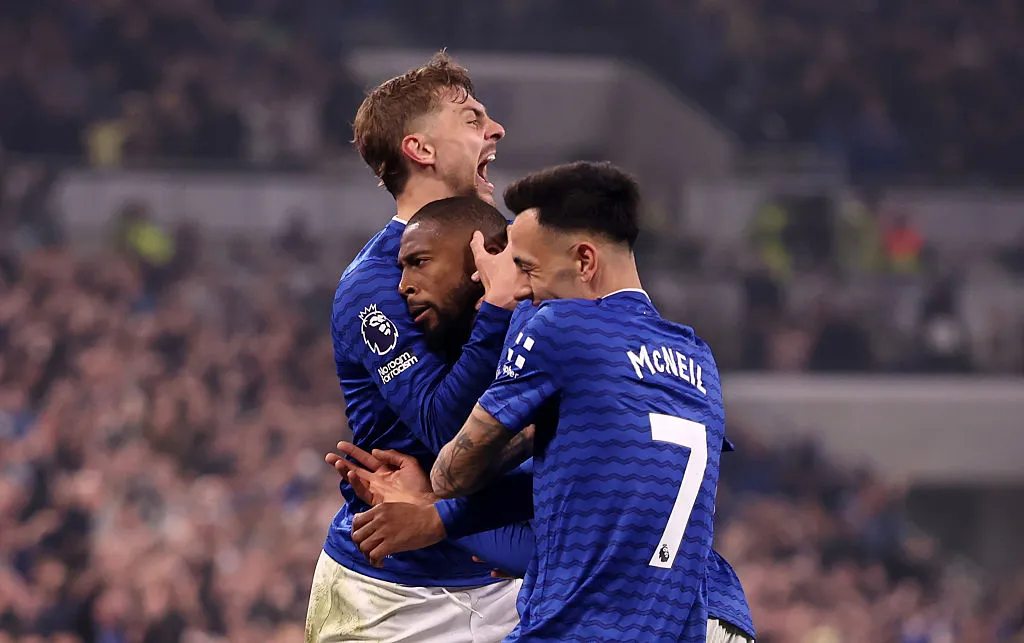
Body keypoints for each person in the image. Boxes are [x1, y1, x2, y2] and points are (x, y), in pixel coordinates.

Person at [331, 191, 755, 642]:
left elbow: (456, 469)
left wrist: (434, 508)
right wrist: (436, 514)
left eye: (526, 267)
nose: (524, 287)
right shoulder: (690, 354)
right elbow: (567, 489)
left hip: (607, 621)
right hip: (695, 612)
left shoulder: (554, 329)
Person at [307, 51, 524, 643]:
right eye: (472, 118)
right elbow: (443, 426)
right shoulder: (375, 283)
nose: (496, 129)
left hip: (512, 580)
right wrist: (499, 310)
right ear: (420, 149)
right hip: (396, 595)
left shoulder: (517, 261)